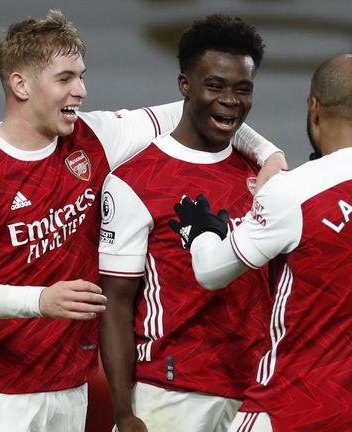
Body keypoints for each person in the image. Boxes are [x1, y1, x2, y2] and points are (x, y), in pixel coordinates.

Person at [0, 9, 285, 432]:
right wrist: (39, 301)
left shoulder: (94, 136)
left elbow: (205, 109)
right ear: (20, 84)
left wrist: (270, 157)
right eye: (65, 79)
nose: (81, 90)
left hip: (70, 388)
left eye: (81, 75)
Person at [169, 54, 352, 432]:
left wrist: (202, 232)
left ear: (314, 108)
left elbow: (211, 271)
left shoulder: (295, 191)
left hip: (288, 410)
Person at [97, 14, 274, 432]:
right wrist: (124, 411)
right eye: (215, 86)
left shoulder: (264, 174)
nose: (231, 100)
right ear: (185, 86)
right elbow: (116, 306)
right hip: (170, 392)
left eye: (243, 89)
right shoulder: (134, 181)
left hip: (255, 391)